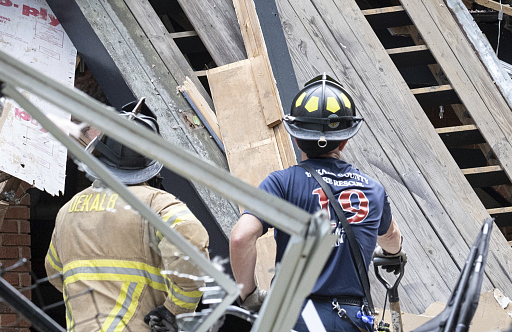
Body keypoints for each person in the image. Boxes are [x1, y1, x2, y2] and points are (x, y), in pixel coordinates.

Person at [229, 75, 404, 332]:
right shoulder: (373, 190)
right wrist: (392, 255)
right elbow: (391, 237)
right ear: (345, 141)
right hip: (351, 321)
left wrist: (249, 295)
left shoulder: (281, 183)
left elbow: (241, 238)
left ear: (296, 137)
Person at [45, 99, 210, 332]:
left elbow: (54, 273)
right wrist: (175, 310)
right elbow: (192, 245)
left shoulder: (67, 211)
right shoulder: (157, 205)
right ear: (150, 165)